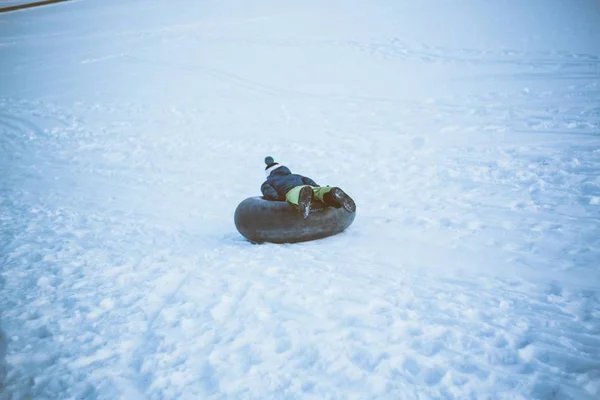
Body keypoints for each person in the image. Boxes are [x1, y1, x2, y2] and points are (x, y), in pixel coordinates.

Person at [261, 156, 356, 218]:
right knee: (317, 191)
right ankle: (330, 193)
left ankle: (303, 198)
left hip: (292, 190)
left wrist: (275, 198)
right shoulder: (296, 175)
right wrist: (316, 187)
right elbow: (308, 180)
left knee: (295, 194)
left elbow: (269, 191)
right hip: (308, 186)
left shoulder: (269, 181)